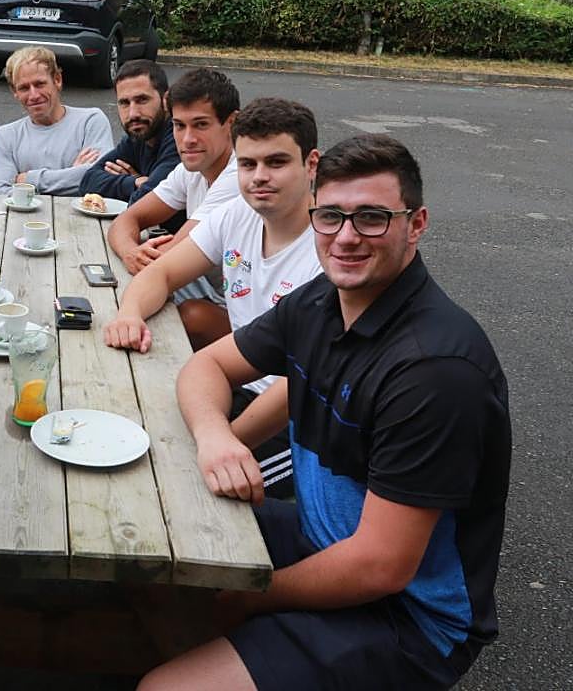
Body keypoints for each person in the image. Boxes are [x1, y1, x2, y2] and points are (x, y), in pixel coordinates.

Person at [138, 134, 511, 691]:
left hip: (406, 618)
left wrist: (249, 597)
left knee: (163, 688)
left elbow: (379, 567)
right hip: (320, 537)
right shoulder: (318, 303)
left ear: (418, 223)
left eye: (372, 218)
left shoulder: (435, 372)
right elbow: (203, 370)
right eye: (331, 216)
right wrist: (217, 436)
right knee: (149, 551)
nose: (347, 237)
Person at [105, 98, 323, 497]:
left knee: (181, 488)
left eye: (276, 163)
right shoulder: (236, 214)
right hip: (231, 385)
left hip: (293, 426)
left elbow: (297, 386)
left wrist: (217, 441)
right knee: (121, 430)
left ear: (311, 165)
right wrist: (130, 314)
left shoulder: (332, 252)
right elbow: (164, 272)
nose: (259, 177)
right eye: (247, 164)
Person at [106, 67, 242, 339]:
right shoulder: (191, 169)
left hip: (243, 312)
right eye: (179, 126)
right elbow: (126, 220)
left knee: (180, 317)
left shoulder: (239, 175)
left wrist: (140, 257)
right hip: (207, 286)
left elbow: (169, 256)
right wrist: (130, 251)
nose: (188, 139)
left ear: (231, 123)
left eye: (201, 124)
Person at [0, 46, 113, 196]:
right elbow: (0, 193)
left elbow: (100, 178)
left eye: (40, 84)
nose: (33, 95)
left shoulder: (91, 121)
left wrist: (28, 179)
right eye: (24, 88)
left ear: (57, 80)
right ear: (15, 92)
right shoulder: (6, 136)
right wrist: (72, 175)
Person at [78, 59, 182, 212]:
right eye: (124, 103)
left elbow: (149, 199)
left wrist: (143, 187)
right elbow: (88, 182)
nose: (133, 114)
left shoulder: (179, 139)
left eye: (142, 100)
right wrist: (134, 182)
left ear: (166, 100)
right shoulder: (136, 137)